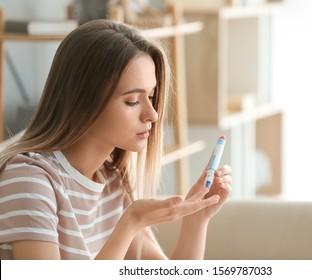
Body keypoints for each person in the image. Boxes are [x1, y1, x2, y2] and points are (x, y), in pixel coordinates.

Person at [0, 19, 232, 260]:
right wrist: (131, 222)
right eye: (132, 101)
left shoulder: (111, 182)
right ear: (84, 101)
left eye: (151, 96)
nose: (152, 114)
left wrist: (196, 221)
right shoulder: (29, 180)